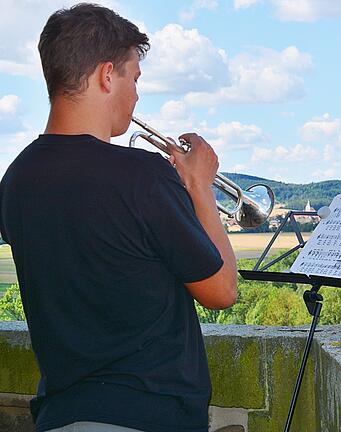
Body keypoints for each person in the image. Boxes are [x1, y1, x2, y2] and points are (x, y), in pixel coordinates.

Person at [0, 4, 238, 432]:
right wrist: (200, 187)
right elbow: (221, 291)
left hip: (59, 414)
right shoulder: (141, 175)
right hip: (150, 413)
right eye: (134, 77)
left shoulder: (16, 177)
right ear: (107, 76)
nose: (137, 94)